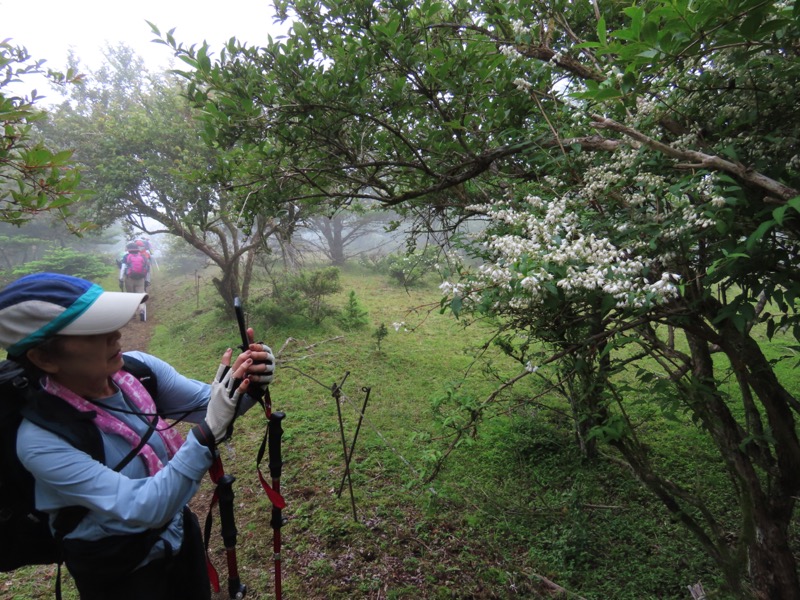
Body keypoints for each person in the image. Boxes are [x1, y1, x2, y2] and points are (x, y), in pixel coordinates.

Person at [0, 272, 275, 600]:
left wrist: (250, 380)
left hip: (178, 538)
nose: (116, 334)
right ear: (44, 357)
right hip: (117, 572)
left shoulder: (138, 372)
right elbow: (144, 506)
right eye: (94, 330)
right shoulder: (42, 439)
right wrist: (205, 436)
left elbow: (210, 405)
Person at [119, 242, 151, 319]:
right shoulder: (143, 257)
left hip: (129, 279)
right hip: (140, 279)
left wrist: (121, 279)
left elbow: (123, 269)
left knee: (131, 296)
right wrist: (147, 280)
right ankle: (142, 310)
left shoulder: (126, 257)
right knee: (141, 295)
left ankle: (132, 314)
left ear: (129, 249)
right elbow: (147, 269)